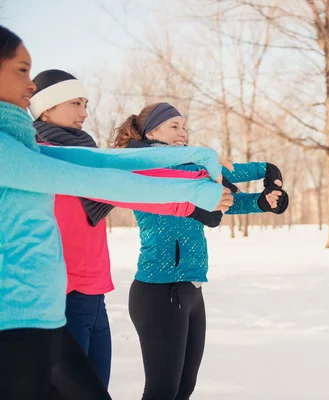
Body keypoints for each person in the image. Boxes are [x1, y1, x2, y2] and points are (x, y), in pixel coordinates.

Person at [0, 25, 232, 399]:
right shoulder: (12, 151)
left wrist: (192, 155)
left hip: (54, 312)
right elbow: (101, 181)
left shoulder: (24, 143)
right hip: (16, 323)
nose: (30, 84)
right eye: (22, 70)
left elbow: (104, 161)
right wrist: (190, 191)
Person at [111, 102, 289, 400]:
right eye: (174, 126)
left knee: (183, 389)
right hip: (159, 291)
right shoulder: (145, 167)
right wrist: (252, 171)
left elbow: (223, 197)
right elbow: (196, 185)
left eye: (184, 127)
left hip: (191, 289)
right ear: (152, 130)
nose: (183, 133)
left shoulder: (189, 166)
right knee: (162, 391)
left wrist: (262, 199)